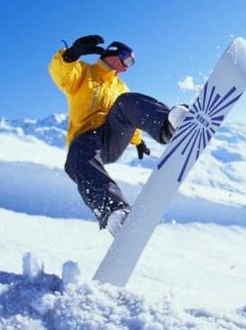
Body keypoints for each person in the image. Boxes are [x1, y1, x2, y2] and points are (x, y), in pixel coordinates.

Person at [49, 35, 188, 236]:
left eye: (131, 63)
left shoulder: (120, 87)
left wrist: (138, 142)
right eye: (127, 60)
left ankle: (169, 126)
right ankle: (115, 212)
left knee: (125, 101)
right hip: (86, 141)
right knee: (76, 157)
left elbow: (130, 113)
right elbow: (61, 74)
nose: (127, 67)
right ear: (112, 53)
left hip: (111, 139)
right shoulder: (84, 73)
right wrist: (71, 55)